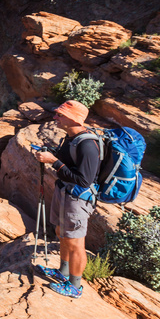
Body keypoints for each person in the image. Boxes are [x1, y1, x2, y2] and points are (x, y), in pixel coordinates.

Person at [33, 100, 101, 299]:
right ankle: (62, 272)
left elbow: (83, 180)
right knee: (61, 232)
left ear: (72, 119)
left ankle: (75, 286)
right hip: (64, 192)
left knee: (76, 242)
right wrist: (51, 153)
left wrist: (53, 162)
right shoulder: (70, 138)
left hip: (78, 199)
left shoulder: (88, 145)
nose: (55, 117)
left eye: (59, 115)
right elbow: (68, 162)